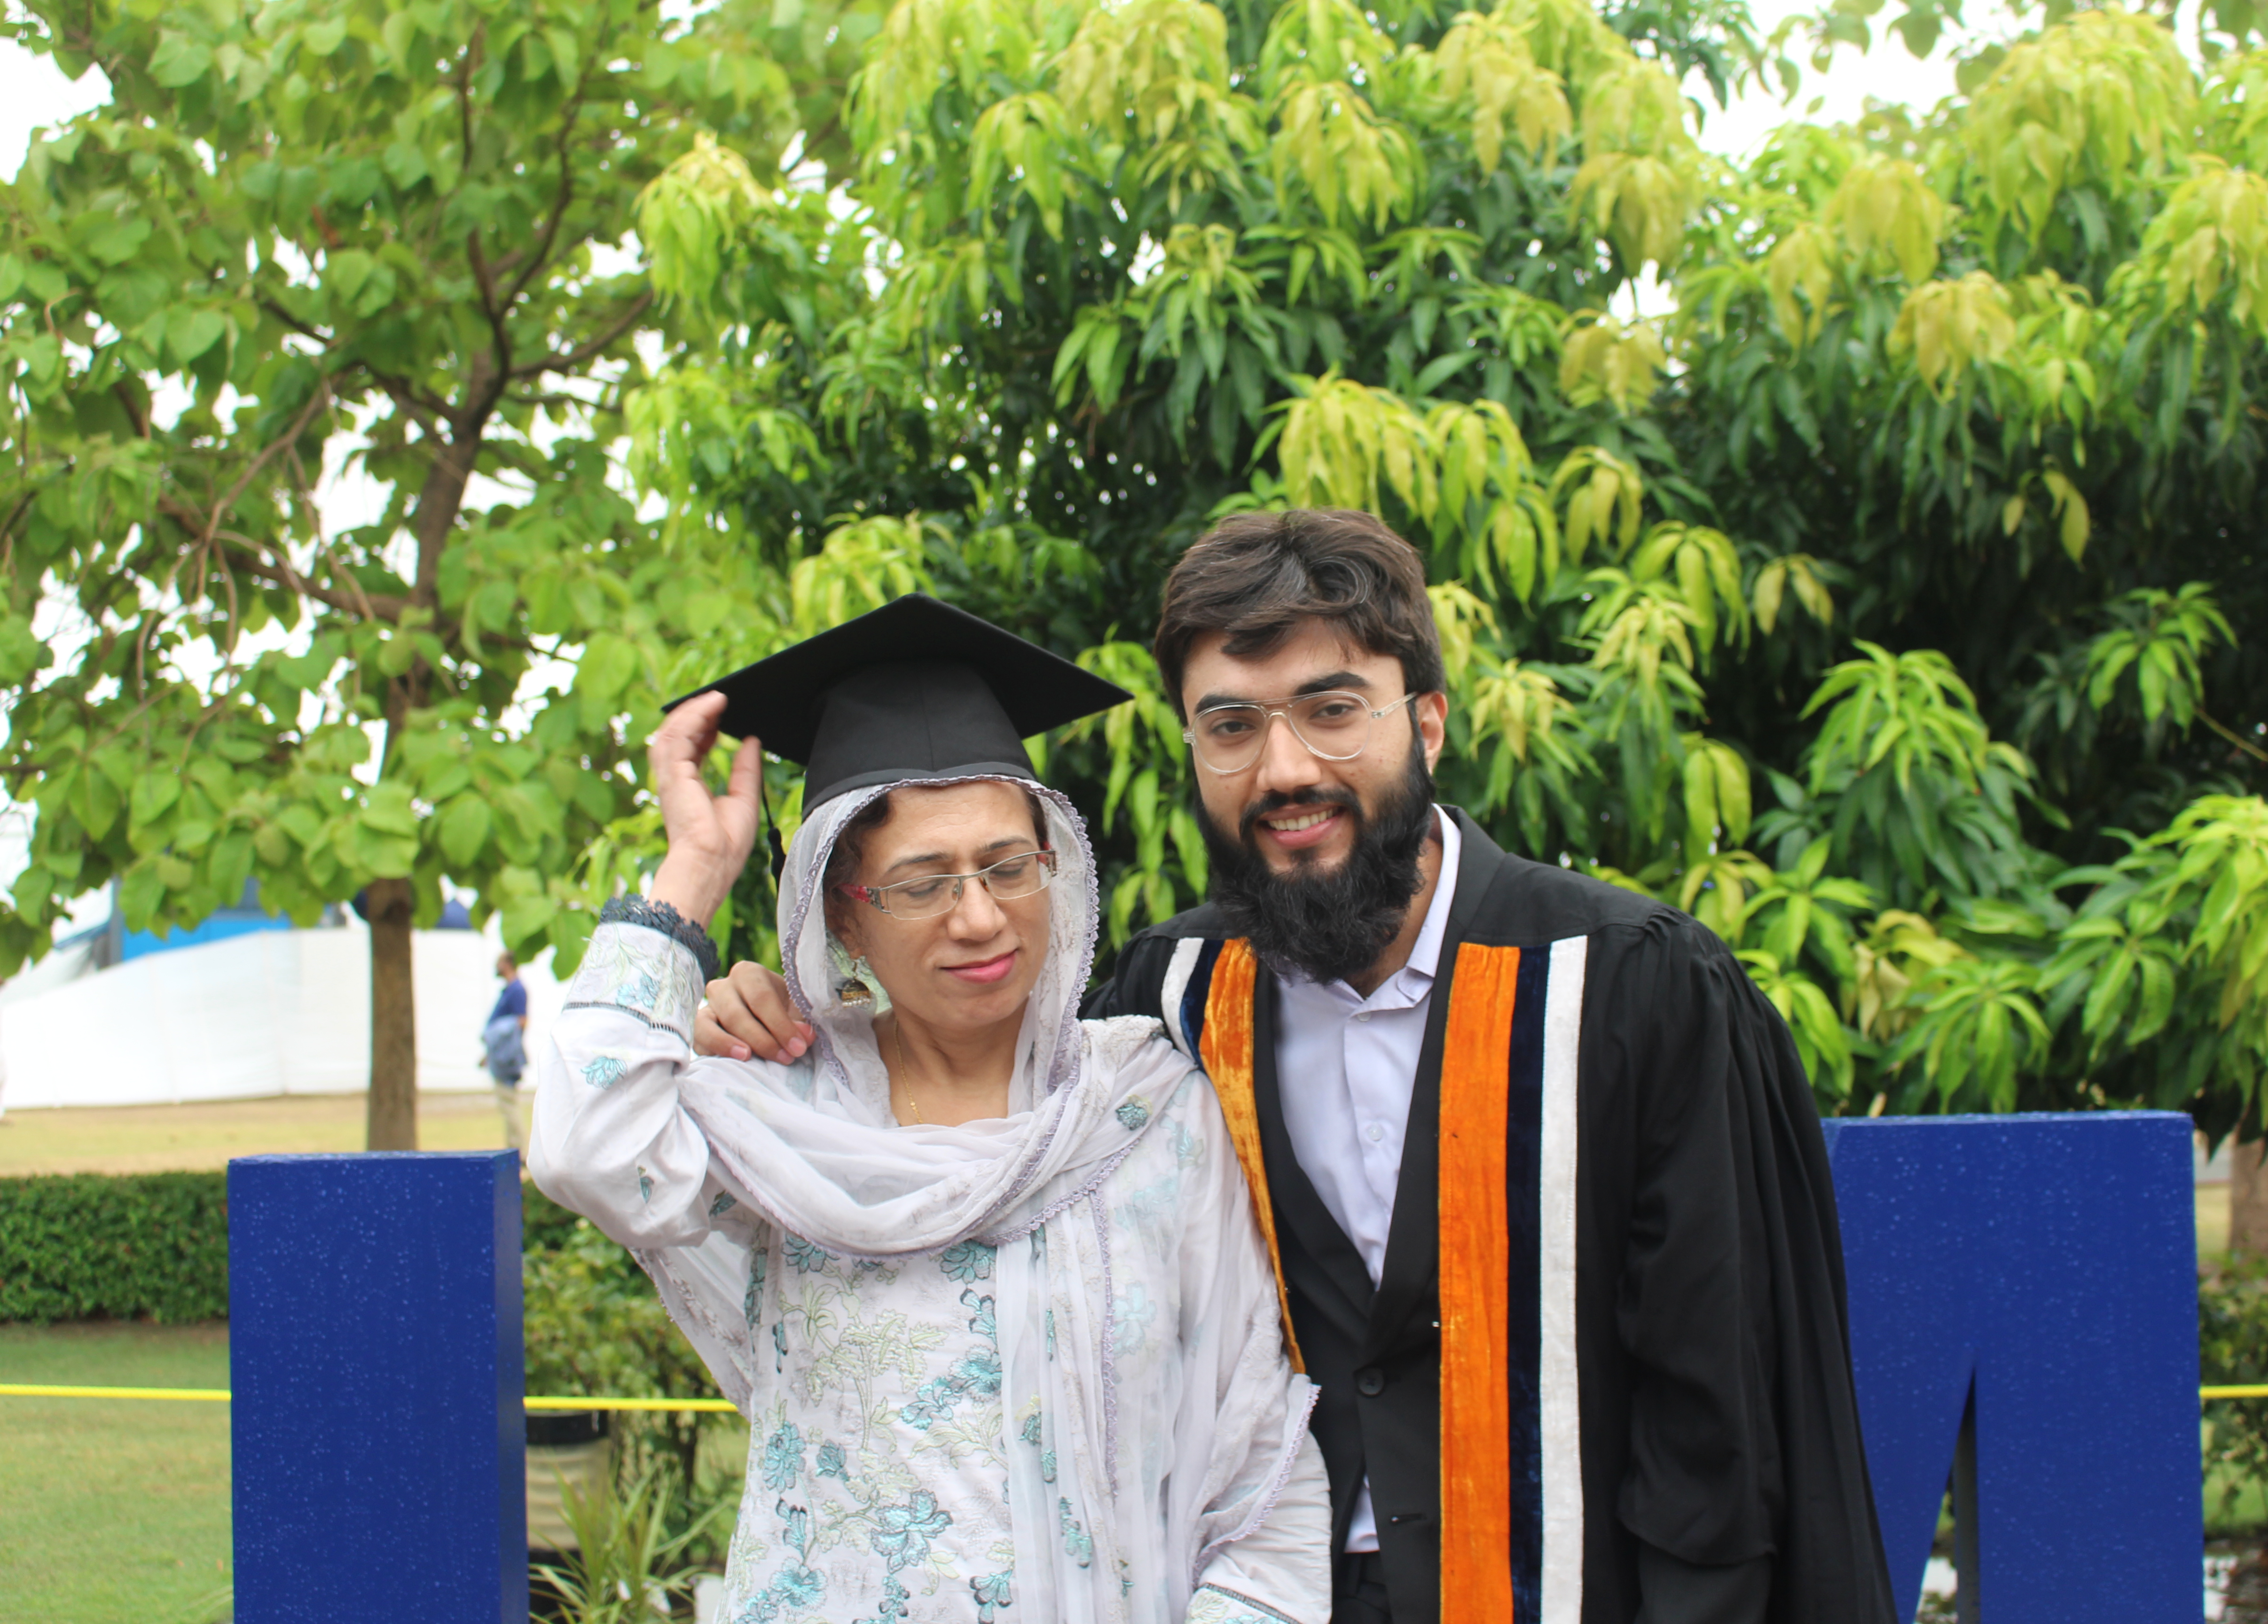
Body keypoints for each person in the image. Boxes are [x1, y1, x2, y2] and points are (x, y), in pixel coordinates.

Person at [697, 513, 1897, 1624]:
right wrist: (782, 1010)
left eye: (1332, 709)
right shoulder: (1166, 1003)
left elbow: (1722, 1417)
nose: (1283, 769)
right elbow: (954, 1089)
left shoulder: (1624, 987)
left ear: (1425, 722)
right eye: (1230, 724)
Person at [530, 594, 1329, 1624]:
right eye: (922, 883)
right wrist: (695, 871)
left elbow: (1256, 1462)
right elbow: (587, 1146)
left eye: (1009, 866)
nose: (981, 917)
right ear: (840, 912)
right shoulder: (781, 1113)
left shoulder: (1147, 1113)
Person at [482, 952, 529, 1154]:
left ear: (508, 964)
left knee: (510, 1106)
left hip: (506, 1058)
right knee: (506, 1106)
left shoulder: (517, 990)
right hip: (499, 1055)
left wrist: (502, 1044)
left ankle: (520, 1150)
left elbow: (521, 1021)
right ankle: (513, 1148)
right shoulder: (509, 991)